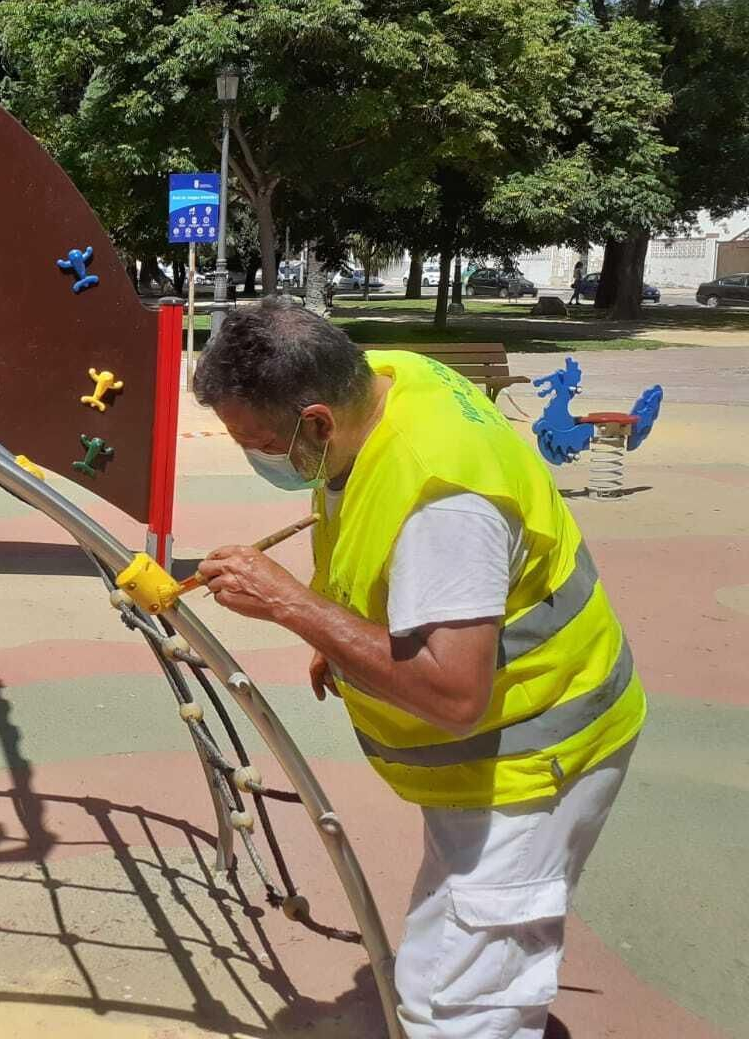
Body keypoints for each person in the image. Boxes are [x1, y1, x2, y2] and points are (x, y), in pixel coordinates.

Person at [191, 298, 644, 1039]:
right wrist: (345, 639)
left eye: (261, 441)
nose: (257, 457)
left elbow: (453, 693)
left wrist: (297, 609)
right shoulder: (391, 379)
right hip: (501, 750)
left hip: (536, 754)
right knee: (448, 948)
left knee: (464, 1008)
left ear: (315, 421)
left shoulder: (444, 503)